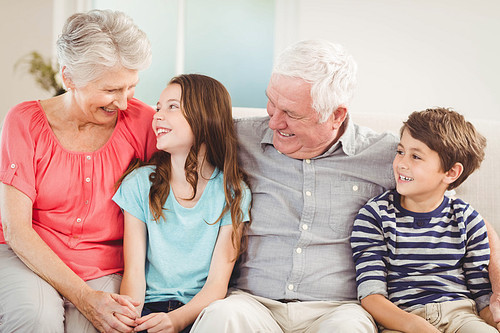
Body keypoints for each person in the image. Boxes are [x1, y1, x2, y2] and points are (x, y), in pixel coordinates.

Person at [190, 39, 500, 332]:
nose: (273, 122)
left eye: (292, 114)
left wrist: (497, 290)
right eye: (272, 103)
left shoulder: (392, 156)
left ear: (336, 114)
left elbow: (459, 215)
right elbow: (171, 149)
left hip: (339, 309)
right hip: (252, 302)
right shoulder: (236, 139)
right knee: (222, 316)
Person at [0, 9, 156, 333]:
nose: (124, 103)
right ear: (69, 78)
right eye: (111, 90)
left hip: (106, 264)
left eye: (131, 87)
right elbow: (16, 229)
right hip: (28, 257)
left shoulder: (144, 123)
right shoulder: (24, 122)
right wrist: (85, 297)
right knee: (35, 317)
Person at [112, 74, 252, 333]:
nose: (157, 116)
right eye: (158, 108)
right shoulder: (139, 184)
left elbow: (216, 285)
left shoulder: (233, 193)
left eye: (172, 107)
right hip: (148, 310)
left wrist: (177, 321)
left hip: (200, 313)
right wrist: (132, 322)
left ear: (205, 116)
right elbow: (133, 274)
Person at [351, 108, 499, 332]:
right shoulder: (375, 215)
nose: (401, 163)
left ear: (450, 173)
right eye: (400, 151)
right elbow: (371, 295)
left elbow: (482, 298)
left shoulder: (469, 221)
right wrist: (417, 326)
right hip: (401, 320)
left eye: (416, 156)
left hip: (461, 316)